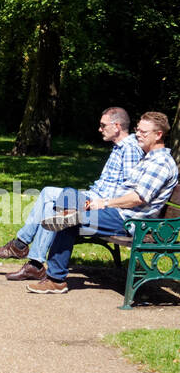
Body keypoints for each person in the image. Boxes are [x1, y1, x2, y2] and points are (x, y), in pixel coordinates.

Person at [27, 111, 179, 296]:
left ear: (158, 135)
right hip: (120, 213)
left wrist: (105, 203)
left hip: (132, 221)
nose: (138, 134)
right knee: (68, 196)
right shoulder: (149, 158)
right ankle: (65, 217)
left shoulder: (161, 162)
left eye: (143, 132)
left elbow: (137, 198)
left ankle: (55, 279)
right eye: (137, 130)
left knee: (71, 221)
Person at [0, 107, 142, 281]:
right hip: (93, 196)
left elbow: (129, 189)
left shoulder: (130, 149)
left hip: (102, 204)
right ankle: (32, 260)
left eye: (103, 125)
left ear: (116, 126)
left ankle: (24, 250)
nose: (99, 129)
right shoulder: (120, 148)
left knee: (52, 199)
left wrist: (100, 202)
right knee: (50, 201)